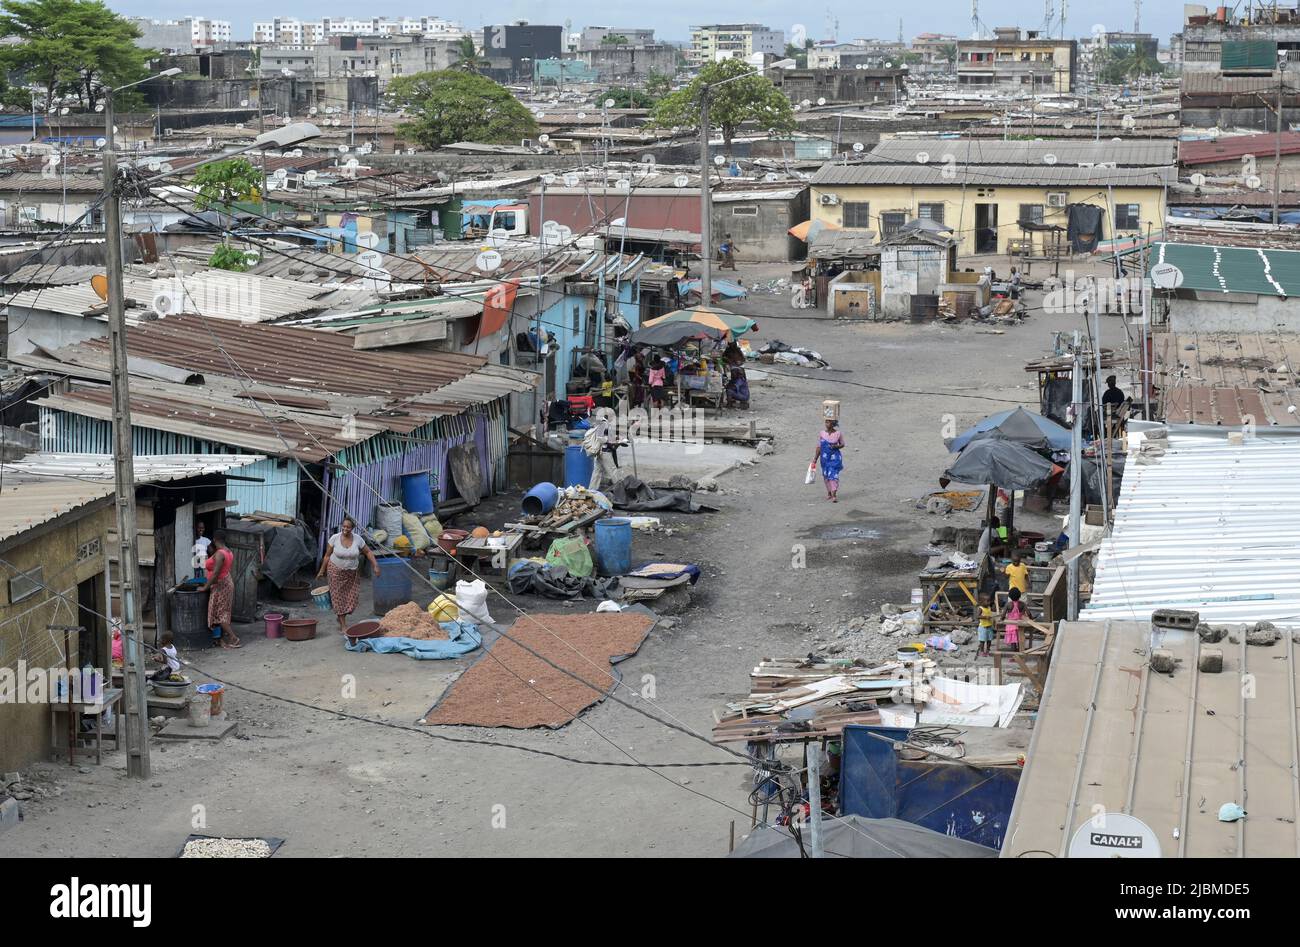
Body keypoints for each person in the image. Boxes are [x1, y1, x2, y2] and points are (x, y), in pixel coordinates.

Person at [317, 516, 380, 635]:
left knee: (352, 598)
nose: (345, 529)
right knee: (338, 598)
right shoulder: (334, 538)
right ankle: (343, 624)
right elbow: (326, 556)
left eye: (348, 527)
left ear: (352, 528)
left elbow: (367, 552)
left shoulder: (358, 539)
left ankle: (341, 616)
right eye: (344, 526)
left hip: (352, 573)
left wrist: (375, 565)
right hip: (335, 571)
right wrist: (322, 571)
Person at [200, 531, 241, 649]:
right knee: (222, 612)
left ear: (214, 539)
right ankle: (220, 639)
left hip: (220, 585)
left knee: (220, 614)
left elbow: (215, 574)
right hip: (226, 582)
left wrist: (205, 587)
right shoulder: (228, 551)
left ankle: (234, 639)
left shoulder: (219, 554)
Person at [812, 418, 845, 502]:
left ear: (833, 423)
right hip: (824, 459)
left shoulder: (838, 433)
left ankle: (834, 495)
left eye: (828, 422)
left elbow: (842, 444)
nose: (826, 424)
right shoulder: (822, 433)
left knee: (833, 475)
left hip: (835, 458)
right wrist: (815, 459)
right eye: (826, 422)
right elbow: (819, 447)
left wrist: (836, 446)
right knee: (826, 475)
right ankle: (829, 493)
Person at [1000, 588, 1027, 653]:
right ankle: (1020, 653)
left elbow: (1003, 615)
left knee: (1013, 641)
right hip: (1019, 624)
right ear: (1020, 596)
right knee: (1019, 639)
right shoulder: (1022, 604)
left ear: (1009, 596)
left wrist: (1001, 619)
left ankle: (1014, 656)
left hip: (1010, 625)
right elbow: (1028, 613)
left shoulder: (1008, 604)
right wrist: (1031, 619)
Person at [976, 592, 996, 657]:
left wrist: (994, 606)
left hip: (989, 627)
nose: (989, 602)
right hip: (983, 627)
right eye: (987, 601)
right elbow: (977, 616)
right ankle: (982, 651)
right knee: (982, 640)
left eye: (989, 601)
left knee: (989, 640)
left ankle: (988, 650)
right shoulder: (980, 608)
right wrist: (985, 617)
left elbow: (993, 611)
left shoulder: (989, 607)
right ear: (981, 602)